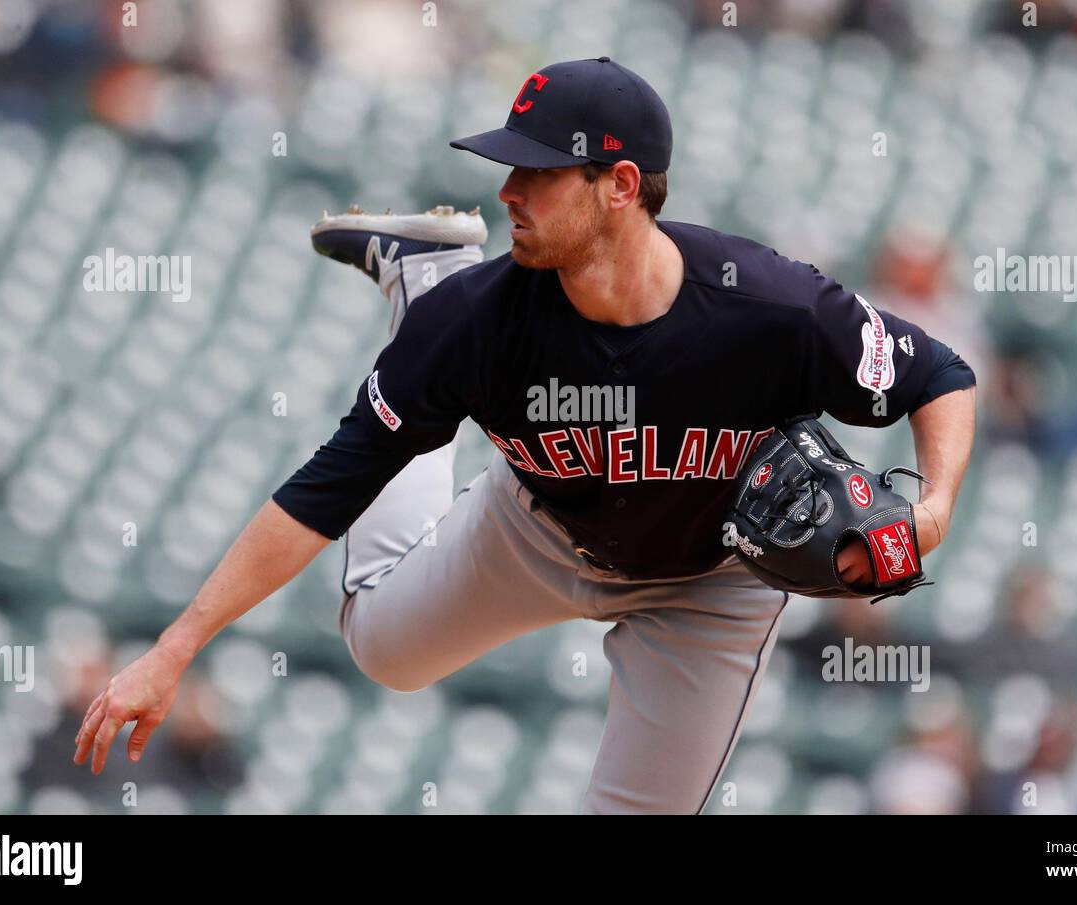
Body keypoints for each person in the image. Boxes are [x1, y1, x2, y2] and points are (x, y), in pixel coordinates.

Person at [75, 57, 977, 814]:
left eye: (538, 173)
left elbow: (938, 374)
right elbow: (326, 486)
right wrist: (175, 648)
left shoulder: (769, 307)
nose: (507, 190)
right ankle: (422, 282)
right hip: (537, 527)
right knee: (383, 650)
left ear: (621, 186)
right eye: (511, 167)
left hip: (708, 587)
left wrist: (933, 507)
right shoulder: (482, 321)